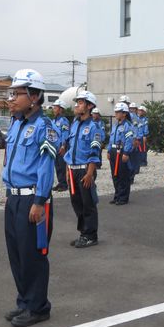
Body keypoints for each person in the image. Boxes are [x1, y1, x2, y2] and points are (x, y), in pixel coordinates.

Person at [1, 69, 57, 327]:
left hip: (33, 199)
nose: (11, 98)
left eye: (17, 93)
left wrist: (39, 200)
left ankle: (38, 307)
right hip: (14, 198)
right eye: (11, 93)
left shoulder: (44, 127)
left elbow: (46, 167)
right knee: (17, 255)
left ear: (34, 96)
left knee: (33, 255)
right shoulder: (16, 124)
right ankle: (24, 301)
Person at [64, 91, 102, 248]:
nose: (77, 105)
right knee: (77, 203)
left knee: (88, 203)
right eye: (77, 102)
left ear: (89, 106)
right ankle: (83, 233)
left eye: (80, 102)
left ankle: (91, 235)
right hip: (72, 170)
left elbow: (95, 152)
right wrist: (67, 169)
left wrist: (89, 173)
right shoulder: (75, 125)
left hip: (85, 170)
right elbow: (70, 148)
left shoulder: (94, 128)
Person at [108, 102, 134, 205]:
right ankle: (117, 195)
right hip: (114, 152)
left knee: (123, 175)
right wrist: (109, 150)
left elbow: (129, 139)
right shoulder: (115, 125)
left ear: (124, 113)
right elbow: (111, 138)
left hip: (122, 151)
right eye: (116, 111)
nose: (116, 113)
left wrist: (126, 153)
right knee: (115, 174)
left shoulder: (127, 125)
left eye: (118, 112)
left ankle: (123, 198)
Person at [52, 99, 70, 192]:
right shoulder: (53, 120)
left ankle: (64, 184)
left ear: (60, 109)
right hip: (55, 147)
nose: (53, 109)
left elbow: (65, 134)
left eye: (55, 108)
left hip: (62, 147)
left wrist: (63, 146)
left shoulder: (64, 120)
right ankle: (60, 182)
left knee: (62, 166)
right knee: (57, 166)